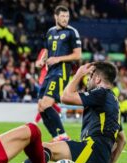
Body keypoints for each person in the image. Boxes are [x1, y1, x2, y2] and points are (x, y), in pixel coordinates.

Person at [2, 62, 126, 163]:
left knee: (44, 148)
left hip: (91, 150)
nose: (87, 80)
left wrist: (78, 74)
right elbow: (122, 140)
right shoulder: (114, 102)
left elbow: (65, 97)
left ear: (97, 79)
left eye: (90, 77)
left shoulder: (101, 93)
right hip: (99, 162)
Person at [36, 5, 81, 141]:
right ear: (56, 17)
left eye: (67, 16)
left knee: (46, 104)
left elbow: (77, 55)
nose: (65, 19)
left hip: (61, 73)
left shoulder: (72, 32)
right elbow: (48, 51)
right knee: (40, 107)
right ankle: (55, 136)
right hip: (50, 73)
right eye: (62, 16)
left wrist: (58, 59)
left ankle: (63, 135)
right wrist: (42, 60)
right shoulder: (50, 32)